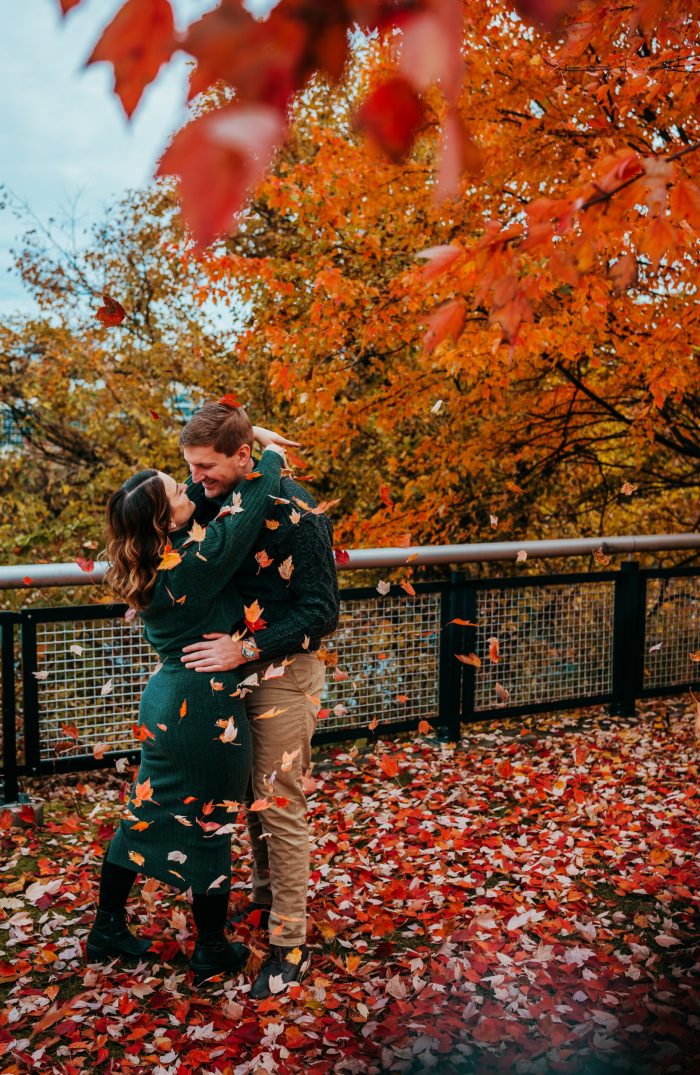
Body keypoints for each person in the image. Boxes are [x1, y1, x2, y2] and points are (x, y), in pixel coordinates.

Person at [85, 425, 293, 985]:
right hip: (203, 707)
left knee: (146, 811)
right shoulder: (194, 564)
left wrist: (238, 442)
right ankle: (211, 947)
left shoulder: (158, 558)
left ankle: (106, 928)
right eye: (177, 491)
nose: (187, 488)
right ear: (163, 521)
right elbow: (247, 512)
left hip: (167, 700)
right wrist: (267, 455)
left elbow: (204, 505)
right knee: (213, 823)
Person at [179, 402, 340, 999]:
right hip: (232, 676)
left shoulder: (297, 512)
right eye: (191, 468)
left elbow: (322, 612)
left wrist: (244, 648)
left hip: (284, 674)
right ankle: (269, 894)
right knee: (250, 797)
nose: (198, 480)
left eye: (208, 467)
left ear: (243, 457)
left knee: (280, 803)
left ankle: (289, 941)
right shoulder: (217, 495)